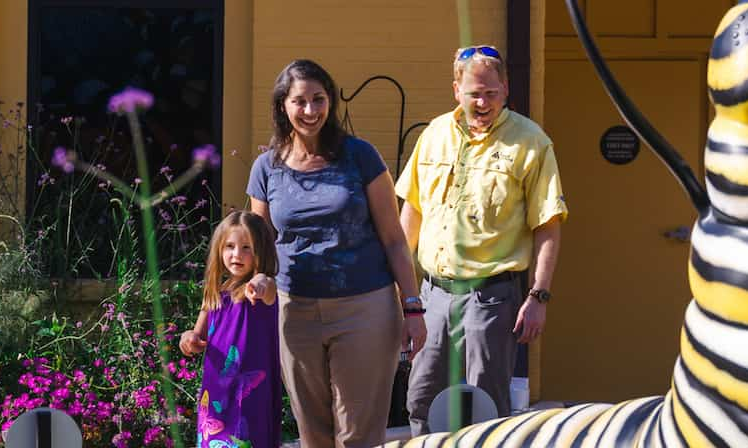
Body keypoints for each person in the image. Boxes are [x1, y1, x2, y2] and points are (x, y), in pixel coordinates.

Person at [247, 59, 426, 447]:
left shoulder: (360, 156)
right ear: (282, 106)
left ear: (331, 102)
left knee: (359, 431)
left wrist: (413, 307)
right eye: (300, 101)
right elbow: (256, 245)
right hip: (294, 310)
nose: (310, 111)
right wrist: (258, 278)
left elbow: (395, 239)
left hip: (365, 307)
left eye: (319, 99)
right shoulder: (266, 168)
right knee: (312, 430)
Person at [396, 45, 566, 435]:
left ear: (506, 89)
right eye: (474, 93)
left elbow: (548, 226)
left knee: (485, 409)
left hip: (491, 300)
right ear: (456, 90)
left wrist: (538, 296)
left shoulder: (531, 143)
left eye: (491, 93)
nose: (482, 102)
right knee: (420, 399)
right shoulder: (434, 134)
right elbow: (412, 214)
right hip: (431, 296)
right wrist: (400, 292)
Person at [178, 210, 284, 448]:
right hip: (216, 391)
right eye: (230, 246)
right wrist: (188, 338)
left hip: (250, 394)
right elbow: (197, 334)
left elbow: (267, 286)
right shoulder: (216, 292)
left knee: (247, 439)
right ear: (219, 249)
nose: (237, 254)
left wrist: (258, 284)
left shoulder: (264, 289)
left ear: (262, 251)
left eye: (247, 247)